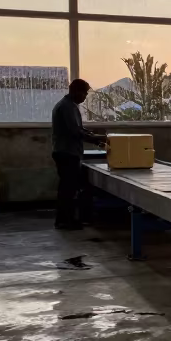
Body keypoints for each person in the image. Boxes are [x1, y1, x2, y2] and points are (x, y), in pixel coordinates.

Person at [51, 79, 107, 230]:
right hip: (67, 153)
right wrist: (96, 139)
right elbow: (75, 131)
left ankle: (65, 219)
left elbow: (79, 128)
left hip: (67, 152)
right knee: (68, 189)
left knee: (68, 188)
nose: (85, 97)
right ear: (76, 91)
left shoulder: (68, 105)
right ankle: (65, 221)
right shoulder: (67, 107)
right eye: (84, 93)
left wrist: (95, 138)